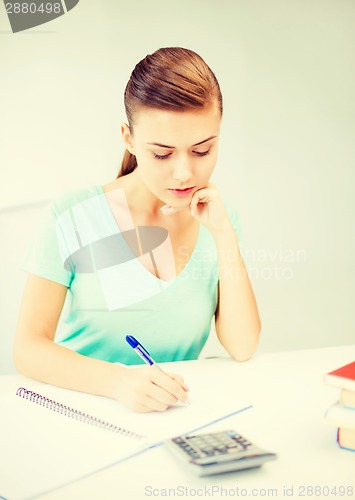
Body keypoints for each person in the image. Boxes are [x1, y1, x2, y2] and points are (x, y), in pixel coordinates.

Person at [13, 47, 261, 413]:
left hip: (171, 417)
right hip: (81, 411)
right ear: (128, 137)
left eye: (202, 150)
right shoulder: (73, 215)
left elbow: (242, 347)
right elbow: (28, 349)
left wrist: (225, 236)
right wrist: (118, 382)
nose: (183, 173)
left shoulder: (220, 220)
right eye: (162, 153)